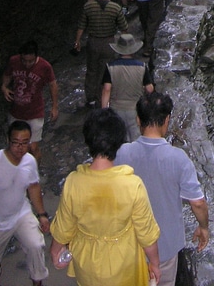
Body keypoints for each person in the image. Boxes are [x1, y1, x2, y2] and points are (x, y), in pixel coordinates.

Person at [49, 108, 162, 286]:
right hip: (123, 266)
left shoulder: (73, 182)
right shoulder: (132, 185)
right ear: (118, 142)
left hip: (87, 267)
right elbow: (146, 234)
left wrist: (55, 251)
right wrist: (155, 264)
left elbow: (64, 226)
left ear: (88, 140)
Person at [117, 92, 210, 286]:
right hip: (165, 247)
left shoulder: (121, 153)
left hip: (128, 246)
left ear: (137, 119)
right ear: (167, 120)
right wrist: (203, 227)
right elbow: (198, 203)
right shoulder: (179, 159)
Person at [0, 120, 50, 286]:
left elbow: (34, 187)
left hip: (21, 213)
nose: (20, 148)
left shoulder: (29, 161)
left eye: (24, 143)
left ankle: (37, 282)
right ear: (8, 140)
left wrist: (42, 214)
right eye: (16, 143)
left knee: (36, 245)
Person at [74, 0, 129, 108]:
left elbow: (81, 25)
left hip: (93, 42)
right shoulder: (115, 8)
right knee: (105, 71)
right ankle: (102, 97)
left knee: (91, 70)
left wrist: (77, 41)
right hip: (109, 43)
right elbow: (124, 28)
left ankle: (91, 98)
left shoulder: (88, 6)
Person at [1, 41, 58, 162]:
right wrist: (4, 87)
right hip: (16, 112)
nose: (27, 64)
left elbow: (53, 85)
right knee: (15, 145)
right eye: (24, 61)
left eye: (30, 61)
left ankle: (34, 173)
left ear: (36, 57)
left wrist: (54, 107)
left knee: (32, 146)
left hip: (35, 112)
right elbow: (7, 75)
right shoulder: (14, 61)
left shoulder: (45, 66)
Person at [101, 33, 154, 140]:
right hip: (135, 110)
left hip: (116, 109)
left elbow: (106, 89)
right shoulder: (142, 67)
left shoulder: (110, 67)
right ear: (133, 50)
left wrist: (104, 110)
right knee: (136, 140)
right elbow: (150, 89)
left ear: (118, 50)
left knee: (118, 140)